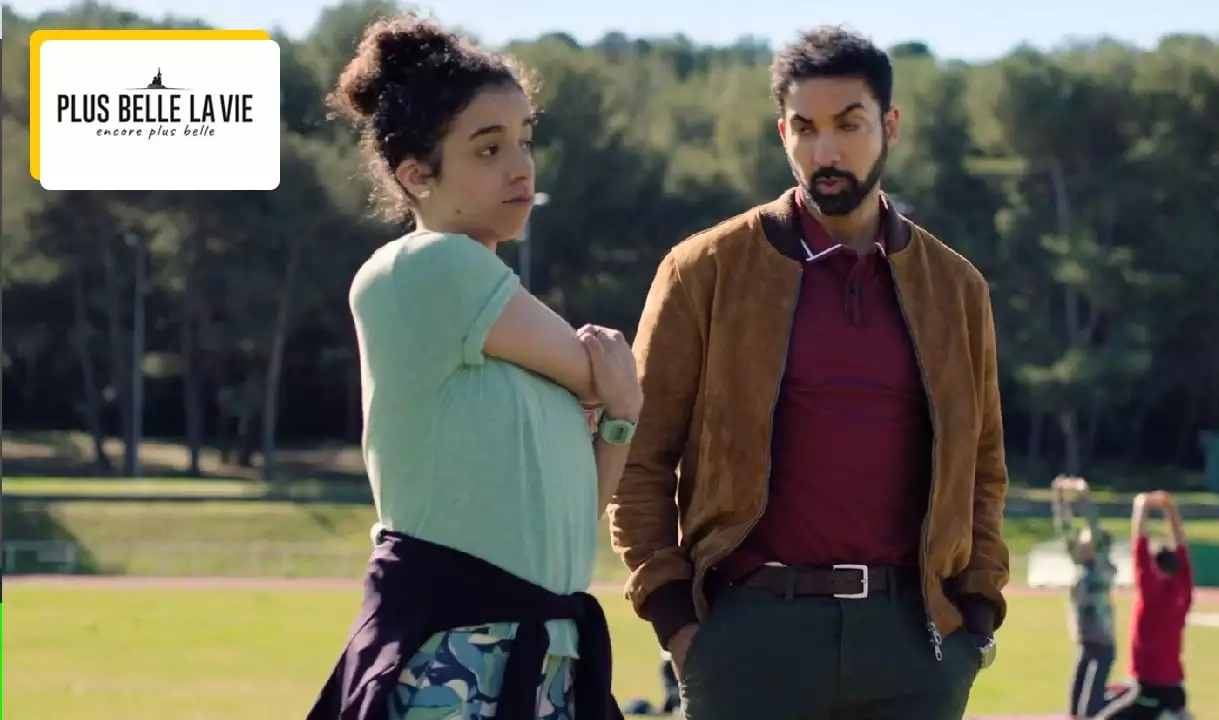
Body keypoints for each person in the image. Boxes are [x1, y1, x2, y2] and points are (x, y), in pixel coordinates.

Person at [608, 26, 1010, 720]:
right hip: (749, 639)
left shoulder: (955, 288)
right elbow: (638, 458)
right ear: (782, 133)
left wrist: (975, 619)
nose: (826, 151)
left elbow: (984, 466)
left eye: (848, 125)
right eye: (805, 128)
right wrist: (676, 620)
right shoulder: (705, 271)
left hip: (914, 646)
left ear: (889, 126)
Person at [308, 15, 636, 720]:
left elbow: (571, 526)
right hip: (457, 657)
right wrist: (614, 393)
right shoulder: (428, 265)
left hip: (543, 659)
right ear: (415, 175)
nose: (521, 167)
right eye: (488, 148)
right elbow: (599, 372)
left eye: (524, 140)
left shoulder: (509, 339)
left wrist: (621, 418)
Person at [1095, 491, 1195, 720]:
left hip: (1149, 689)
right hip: (1174, 688)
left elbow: (1139, 547)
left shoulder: (1151, 594)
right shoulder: (1184, 591)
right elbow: (1182, 548)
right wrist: (1170, 510)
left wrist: (1140, 507)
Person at [1051, 476, 1118, 719]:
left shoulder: (1103, 567)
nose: (1082, 541)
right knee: (1075, 709)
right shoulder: (1080, 564)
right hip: (1085, 641)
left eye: (1086, 538)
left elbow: (1093, 525)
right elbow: (1065, 529)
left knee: (1089, 709)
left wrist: (1085, 496)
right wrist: (1059, 498)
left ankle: (1123, 701)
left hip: (1103, 642)